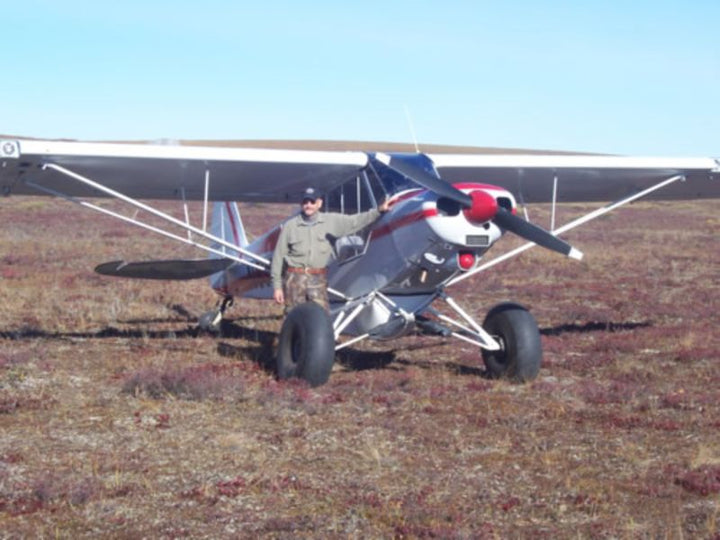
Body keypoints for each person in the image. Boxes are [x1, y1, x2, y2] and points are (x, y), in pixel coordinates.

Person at [271, 186, 391, 312]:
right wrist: (277, 287)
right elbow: (278, 257)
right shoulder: (290, 226)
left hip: (317, 278)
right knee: (294, 316)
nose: (308, 205)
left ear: (319, 203)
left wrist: (378, 211)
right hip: (294, 278)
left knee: (321, 317)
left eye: (312, 202)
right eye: (305, 202)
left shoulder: (331, 221)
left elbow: (355, 221)